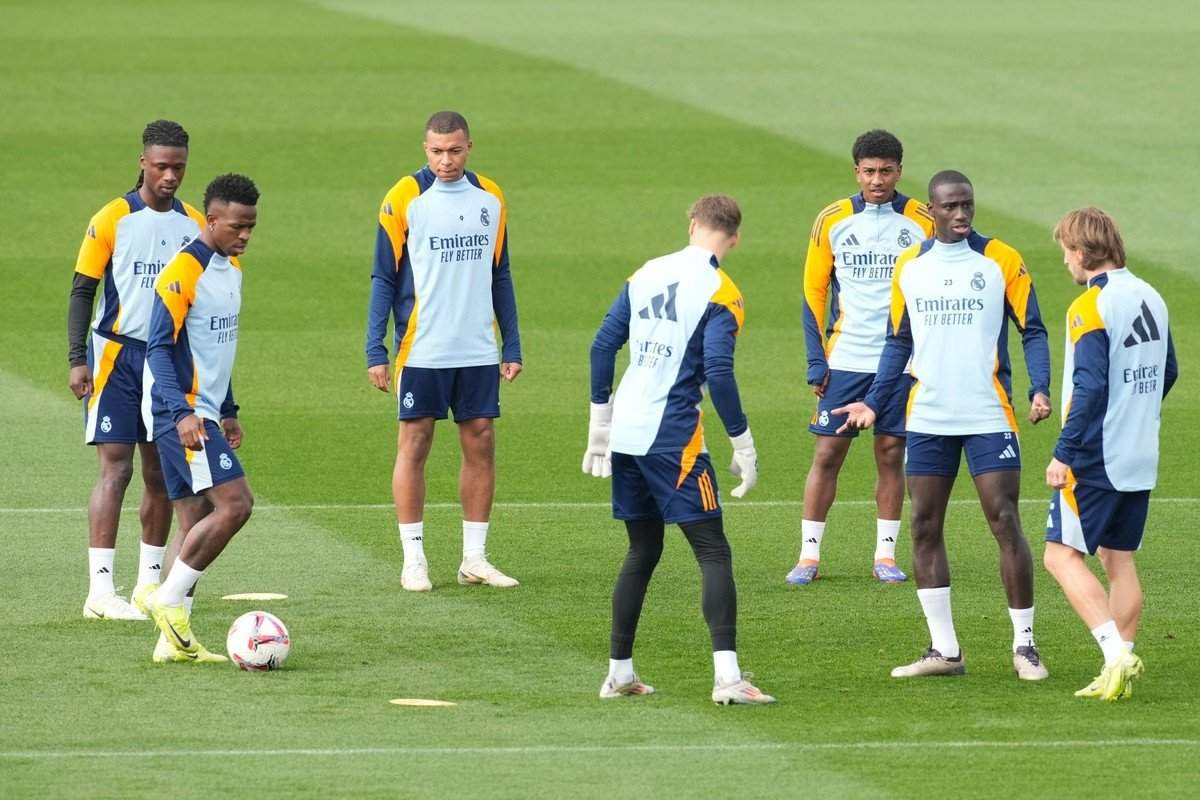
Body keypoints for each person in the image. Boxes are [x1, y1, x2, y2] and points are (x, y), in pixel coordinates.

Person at [835, 170, 1053, 681]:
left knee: (1003, 520)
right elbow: (897, 341)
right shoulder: (910, 266)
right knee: (924, 525)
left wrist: (1038, 387)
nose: (961, 215)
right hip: (929, 414)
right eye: (951, 207)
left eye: (967, 205)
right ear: (931, 210)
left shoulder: (1001, 259)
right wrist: (872, 401)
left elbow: (1033, 329)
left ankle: (1025, 646)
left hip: (987, 413)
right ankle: (945, 650)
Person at [584, 194, 775, 705]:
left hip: (625, 431)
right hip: (673, 438)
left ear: (692, 224)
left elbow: (603, 346)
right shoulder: (722, 292)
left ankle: (619, 672)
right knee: (712, 549)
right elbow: (718, 371)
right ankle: (729, 679)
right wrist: (743, 441)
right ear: (734, 238)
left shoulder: (646, 272)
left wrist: (599, 423)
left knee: (642, 549)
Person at [366, 111, 522, 592]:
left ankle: (474, 558)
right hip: (422, 347)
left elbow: (500, 272)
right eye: (436, 151)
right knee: (415, 444)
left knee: (481, 442)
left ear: (469, 146)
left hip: (476, 345)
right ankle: (414, 559)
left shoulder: (490, 197)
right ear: (424, 148)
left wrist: (511, 342)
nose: (445, 160)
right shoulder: (403, 198)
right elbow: (383, 275)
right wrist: (376, 347)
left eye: (454, 151)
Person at [68, 120, 204, 621]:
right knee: (116, 467)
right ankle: (100, 592)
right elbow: (83, 289)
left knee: (160, 473)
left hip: (166, 359)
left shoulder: (193, 224)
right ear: (143, 161)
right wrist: (76, 358)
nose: (171, 176)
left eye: (179, 167)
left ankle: (149, 585)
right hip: (116, 358)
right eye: (162, 166)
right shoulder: (112, 218)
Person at [788, 129, 935, 586]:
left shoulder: (922, 219)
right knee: (829, 452)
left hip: (902, 360)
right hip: (846, 354)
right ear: (856, 171)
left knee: (891, 452)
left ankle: (885, 556)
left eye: (886, 171)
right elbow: (813, 291)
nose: (877, 180)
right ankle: (808, 556)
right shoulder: (831, 219)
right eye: (869, 171)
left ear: (899, 171)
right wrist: (817, 361)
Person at [1041, 208, 1177, 700]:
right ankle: (1119, 671)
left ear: (1081, 253)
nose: (1065, 262)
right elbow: (1169, 371)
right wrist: (1136, 413)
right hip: (1141, 451)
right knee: (1119, 559)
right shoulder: (1152, 296)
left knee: (1060, 557)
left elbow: (1091, 387)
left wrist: (1063, 453)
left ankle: (1116, 655)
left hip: (1097, 455)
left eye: (1065, 252)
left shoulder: (1090, 307)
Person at [143, 173, 260, 663]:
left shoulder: (231, 270)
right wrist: (185, 412)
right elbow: (156, 347)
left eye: (252, 226)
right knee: (236, 505)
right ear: (211, 220)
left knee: (191, 520)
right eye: (237, 226)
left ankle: (170, 645)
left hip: (206, 411)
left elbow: (217, 350)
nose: (245, 235)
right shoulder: (183, 270)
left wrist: (227, 408)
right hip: (181, 415)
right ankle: (167, 602)